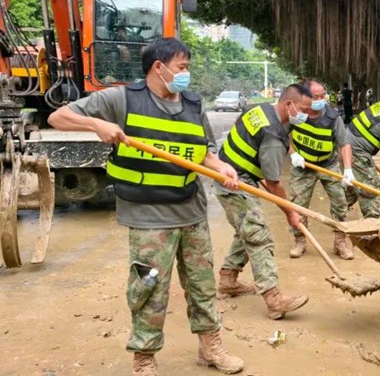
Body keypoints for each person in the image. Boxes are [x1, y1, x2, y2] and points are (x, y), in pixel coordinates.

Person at [47, 37, 244, 375]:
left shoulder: (193, 104)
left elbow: (204, 151)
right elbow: (58, 118)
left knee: (202, 285)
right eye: (182, 67)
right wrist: (97, 123)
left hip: (191, 211)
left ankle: (210, 347)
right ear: (159, 66)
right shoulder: (121, 98)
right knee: (149, 287)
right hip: (149, 217)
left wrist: (220, 167)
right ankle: (144, 357)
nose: (186, 74)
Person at [214, 84, 313, 320]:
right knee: (259, 237)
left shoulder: (260, 110)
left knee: (246, 231)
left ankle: (228, 280)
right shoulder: (272, 137)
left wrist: (291, 151)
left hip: (229, 174)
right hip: (235, 184)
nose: (306, 115)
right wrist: (290, 214)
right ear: (289, 104)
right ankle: (274, 298)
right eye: (303, 109)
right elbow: (273, 183)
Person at [287, 79, 355, 259]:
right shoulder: (296, 114)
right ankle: (300, 241)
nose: (321, 99)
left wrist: (347, 169)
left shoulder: (333, 117)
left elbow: (344, 143)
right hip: (303, 167)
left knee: (341, 203)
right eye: (316, 96)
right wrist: (293, 153)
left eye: (322, 95)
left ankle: (340, 242)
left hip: (328, 164)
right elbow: (280, 134)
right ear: (305, 97)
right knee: (298, 205)